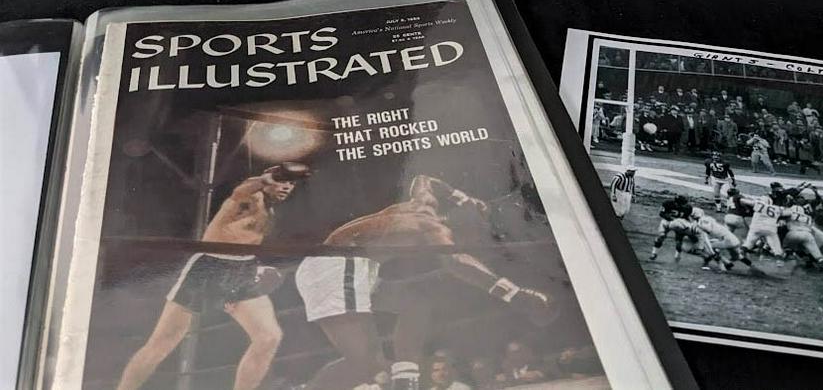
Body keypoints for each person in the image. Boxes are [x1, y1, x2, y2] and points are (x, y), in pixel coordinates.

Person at [298, 175, 555, 390]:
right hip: (335, 266)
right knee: (365, 364)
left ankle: (405, 382)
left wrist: (460, 196)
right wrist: (515, 294)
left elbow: (424, 179)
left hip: (355, 267)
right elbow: (456, 261)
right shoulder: (435, 229)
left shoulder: (423, 205)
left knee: (415, 305)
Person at [117, 161, 312, 390]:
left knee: (269, 337)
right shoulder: (252, 198)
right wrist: (264, 180)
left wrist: (259, 270)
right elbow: (241, 191)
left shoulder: (270, 209)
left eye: (291, 183)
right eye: (282, 181)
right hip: (210, 266)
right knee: (162, 343)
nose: (287, 187)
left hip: (244, 269)